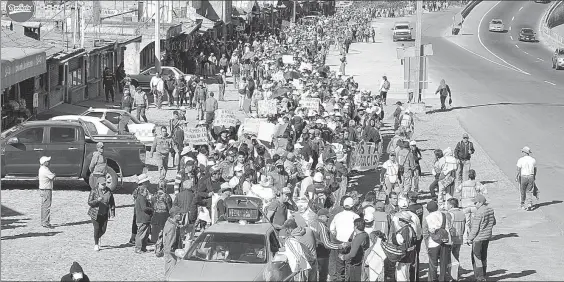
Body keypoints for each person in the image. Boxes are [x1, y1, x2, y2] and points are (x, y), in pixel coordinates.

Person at [329, 197, 360, 281]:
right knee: (349, 265)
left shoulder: (338, 216)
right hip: (351, 244)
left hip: (339, 243)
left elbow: (332, 229)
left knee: (340, 266)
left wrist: (337, 236)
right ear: (352, 206)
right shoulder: (356, 216)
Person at [468, 194, 496, 282]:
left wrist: (469, 238)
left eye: (475, 203)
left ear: (480, 202)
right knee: (484, 256)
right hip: (486, 237)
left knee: (477, 257)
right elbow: (494, 222)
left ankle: (480, 277)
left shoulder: (479, 212)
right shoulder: (490, 210)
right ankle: (484, 273)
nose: (474, 204)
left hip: (478, 239)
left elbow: (475, 228)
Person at [423, 200, 451, 282]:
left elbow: (425, 234)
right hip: (445, 241)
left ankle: (433, 279)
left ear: (428, 210)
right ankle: (442, 279)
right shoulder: (444, 215)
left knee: (433, 265)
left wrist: (426, 245)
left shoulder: (427, 218)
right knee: (443, 264)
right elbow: (449, 227)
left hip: (432, 243)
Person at [87, 178, 115, 251]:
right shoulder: (94, 191)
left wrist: (112, 212)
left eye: (104, 184)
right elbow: (89, 202)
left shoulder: (109, 191)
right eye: (102, 184)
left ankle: (97, 237)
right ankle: (96, 244)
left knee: (103, 229)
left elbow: (112, 202)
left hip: (104, 212)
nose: (103, 185)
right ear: (98, 184)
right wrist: (97, 200)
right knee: (96, 228)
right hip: (95, 213)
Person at [339, 218, 369, 282]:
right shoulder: (365, 234)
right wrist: (348, 244)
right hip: (363, 262)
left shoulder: (358, 237)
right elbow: (359, 244)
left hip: (356, 264)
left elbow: (352, 254)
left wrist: (343, 257)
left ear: (355, 227)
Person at [446, 198, 466, 281]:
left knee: (450, 258)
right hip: (460, 237)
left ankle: (453, 276)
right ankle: (456, 274)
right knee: (456, 256)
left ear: (451, 205)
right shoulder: (462, 213)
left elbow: (448, 227)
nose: (446, 206)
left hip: (452, 239)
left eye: (447, 204)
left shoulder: (450, 214)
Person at [127, 174, 150, 245]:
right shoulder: (141, 190)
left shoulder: (139, 189)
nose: (149, 182)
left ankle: (142, 237)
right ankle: (134, 239)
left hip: (138, 209)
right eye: (147, 181)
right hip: (140, 210)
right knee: (139, 224)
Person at [516, 146, 537, 211]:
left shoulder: (521, 160)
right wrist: (534, 176)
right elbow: (535, 169)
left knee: (522, 191)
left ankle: (522, 204)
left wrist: (517, 176)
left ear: (524, 152)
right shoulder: (533, 160)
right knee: (529, 191)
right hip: (531, 176)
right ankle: (529, 204)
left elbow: (518, 169)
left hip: (523, 176)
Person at [163, 206, 182, 277]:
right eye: (179, 214)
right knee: (170, 272)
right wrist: (172, 253)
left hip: (170, 251)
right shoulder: (172, 227)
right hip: (171, 253)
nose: (181, 216)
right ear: (175, 215)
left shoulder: (169, 222)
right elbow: (169, 242)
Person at [135, 186, 154, 254]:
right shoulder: (141, 198)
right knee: (141, 234)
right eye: (146, 191)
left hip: (145, 219)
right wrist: (152, 209)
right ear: (142, 192)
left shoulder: (142, 198)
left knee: (145, 234)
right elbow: (144, 208)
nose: (147, 192)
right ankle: (138, 248)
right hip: (142, 219)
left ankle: (143, 248)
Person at [38, 156, 56, 229]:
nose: (49, 162)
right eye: (47, 161)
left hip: (43, 189)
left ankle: (43, 221)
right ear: (44, 163)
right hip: (46, 189)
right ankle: (46, 222)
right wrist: (54, 174)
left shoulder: (41, 169)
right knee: (47, 206)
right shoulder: (45, 170)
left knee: (43, 206)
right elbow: (52, 177)